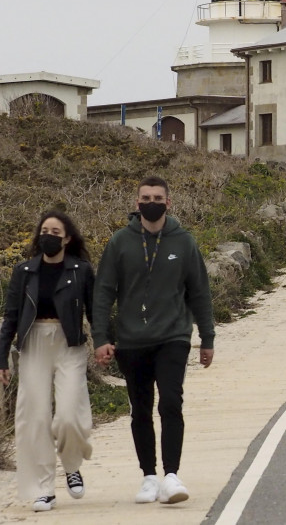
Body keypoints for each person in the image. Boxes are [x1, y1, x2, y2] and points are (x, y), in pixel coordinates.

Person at [92, 175, 215, 505]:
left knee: (171, 401)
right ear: (136, 204)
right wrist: (100, 337)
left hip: (173, 336)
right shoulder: (120, 242)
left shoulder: (183, 242)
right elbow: (103, 292)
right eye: (145, 197)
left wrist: (207, 337)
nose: (151, 202)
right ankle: (148, 476)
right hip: (131, 340)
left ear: (168, 203)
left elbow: (199, 292)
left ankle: (172, 476)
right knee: (140, 409)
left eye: (158, 197)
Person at [0, 210, 95, 513]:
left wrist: (105, 342)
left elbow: (95, 311)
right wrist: (2, 357)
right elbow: (11, 315)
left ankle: (72, 464)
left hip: (69, 343)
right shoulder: (24, 271)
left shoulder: (82, 269)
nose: (48, 236)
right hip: (34, 343)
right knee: (35, 417)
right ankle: (44, 489)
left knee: (68, 414)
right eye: (45, 231)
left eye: (55, 232)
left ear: (67, 238)